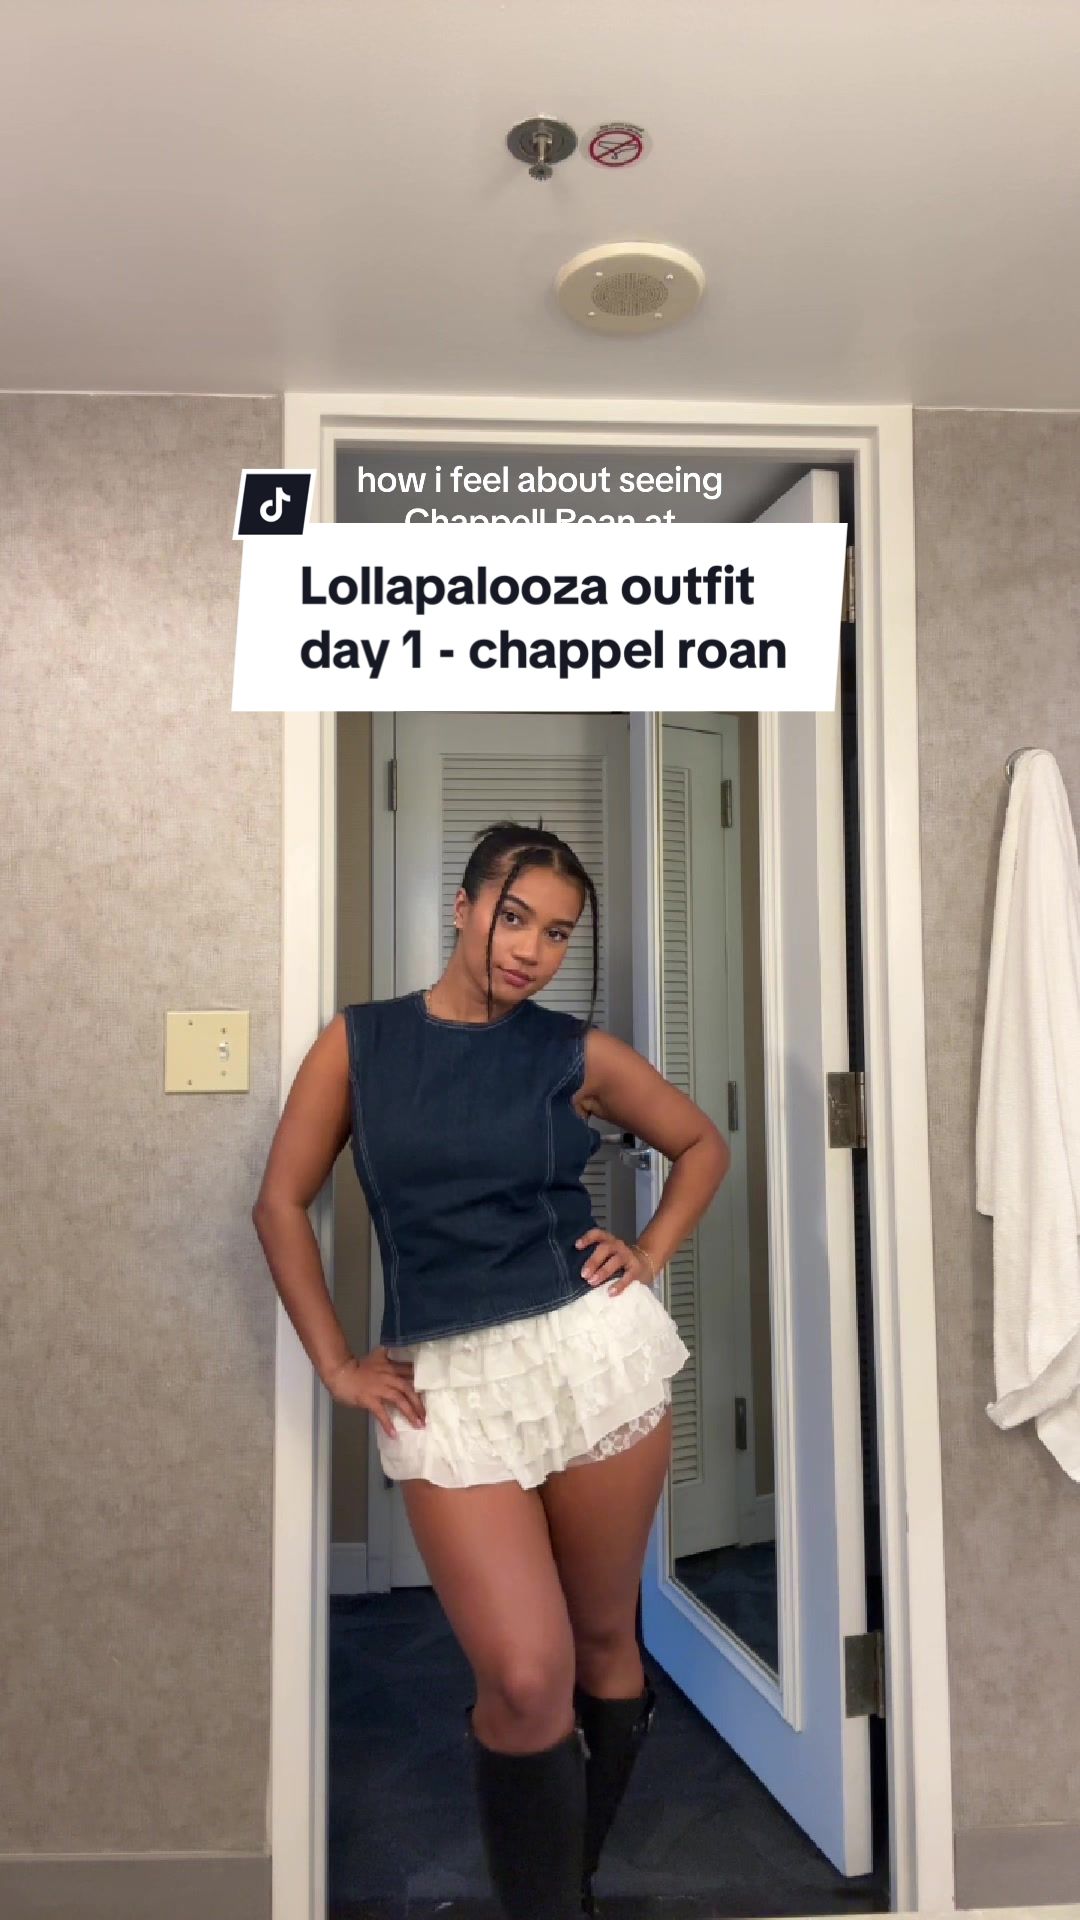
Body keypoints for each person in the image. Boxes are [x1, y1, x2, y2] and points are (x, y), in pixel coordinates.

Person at [253, 819, 730, 1919]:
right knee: (523, 1676)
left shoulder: (573, 1052)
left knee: (603, 1642)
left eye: (557, 933)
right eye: (514, 918)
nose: (531, 950)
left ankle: (567, 1890)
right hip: (451, 1385)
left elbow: (703, 1144)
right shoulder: (361, 1043)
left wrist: (648, 1251)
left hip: (590, 1362)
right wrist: (337, 1365)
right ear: (463, 907)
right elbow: (279, 1203)